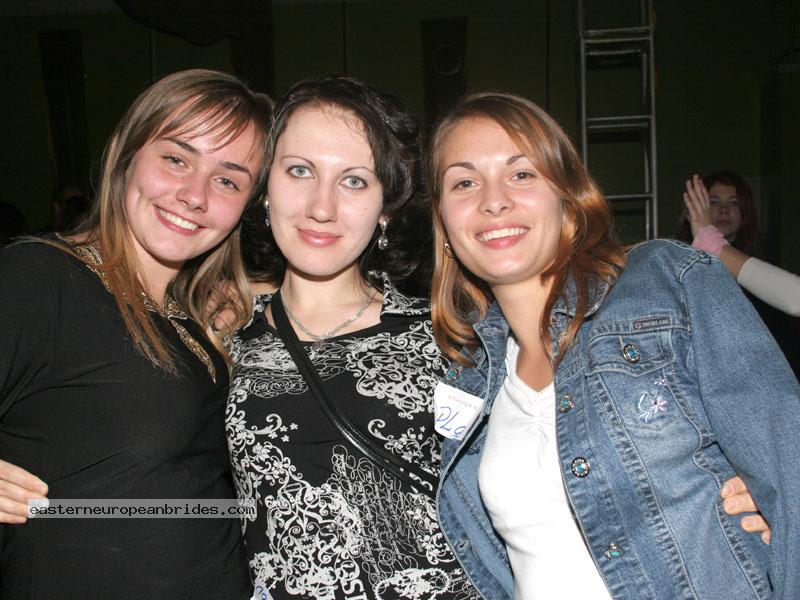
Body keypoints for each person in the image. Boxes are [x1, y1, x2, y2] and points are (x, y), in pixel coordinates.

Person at [427, 92, 800, 599]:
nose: (494, 200)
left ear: (566, 194)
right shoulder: (466, 374)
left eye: (522, 173)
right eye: (465, 182)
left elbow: (787, 469)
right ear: (444, 221)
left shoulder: (667, 283)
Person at [0, 69, 271, 599]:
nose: (194, 195)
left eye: (228, 180)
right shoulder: (42, 277)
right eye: (176, 159)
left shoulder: (188, 316)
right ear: (126, 155)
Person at [226, 76, 478, 600]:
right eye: (300, 171)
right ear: (265, 189)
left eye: (355, 181)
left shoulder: (448, 338)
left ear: (386, 208)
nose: (322, 207)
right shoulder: (222, 341)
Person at [679, 172, 800, 376]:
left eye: (733, 203)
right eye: (714, 202)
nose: (724, 209)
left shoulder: (764, 276)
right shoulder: (679, 266)